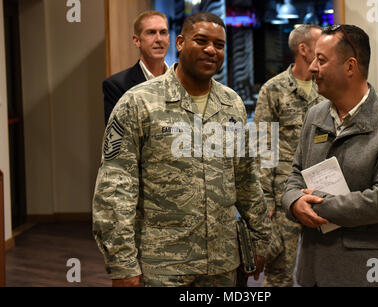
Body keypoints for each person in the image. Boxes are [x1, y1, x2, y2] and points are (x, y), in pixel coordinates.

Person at [92, 12, 271, 287]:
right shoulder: (138, 102)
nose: (211, 50)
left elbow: (246, 178)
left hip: (222, 265)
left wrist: (259, 240)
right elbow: (116, 188)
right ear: (180, 42)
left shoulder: (231, 103)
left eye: (219, 45)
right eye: (201, 41)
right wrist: (122, 264)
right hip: (164, 267)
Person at [281, 24, 378, 287]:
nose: (311, 69)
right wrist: (294, 202)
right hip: (314, 267)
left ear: (350, 66)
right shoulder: (314, 116)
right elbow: (296, 173)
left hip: (365, 270)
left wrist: (316, 205)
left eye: (321, 60)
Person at [254, 24, 323, 287]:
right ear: (303, 49)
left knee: (322, 271)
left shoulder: (326, 86)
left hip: (322, 191)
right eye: (319, 43)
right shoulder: (274, 90)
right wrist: (266, 201)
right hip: (285, 197)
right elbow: (263, 149)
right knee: (279, 273)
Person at [102, 10, 170, 125]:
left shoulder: (182, 82)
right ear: (137, 41)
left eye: (163, 32)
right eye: (151, 32)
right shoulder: (116, 86)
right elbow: (117, 138)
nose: (159, 39)